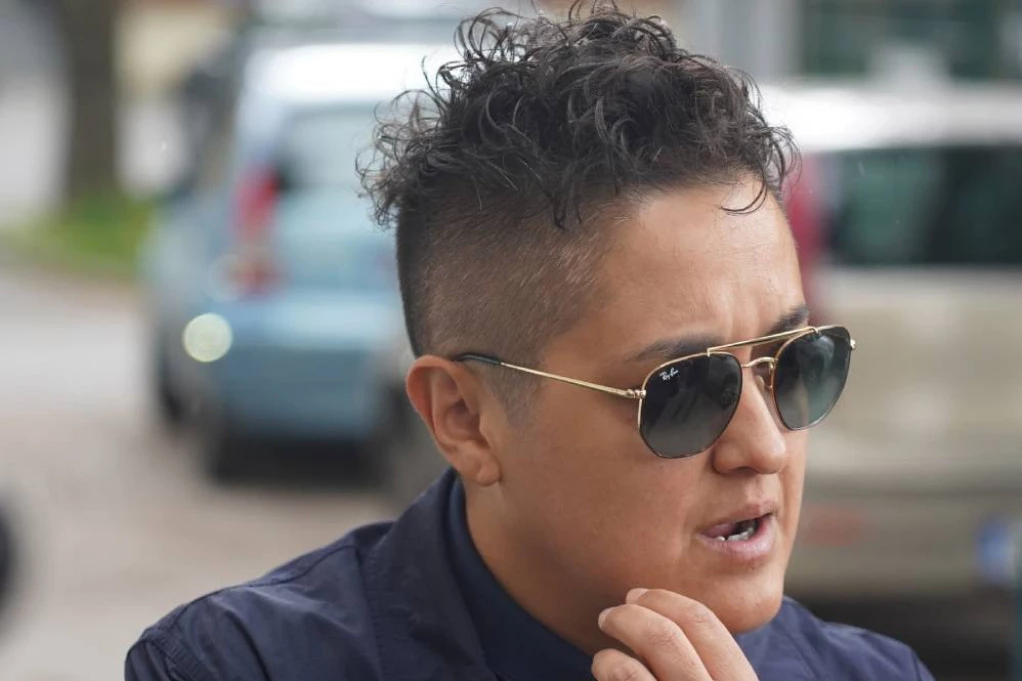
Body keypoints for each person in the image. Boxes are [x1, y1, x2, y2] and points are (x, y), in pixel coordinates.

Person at [125, 3, 936, 679]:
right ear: (465, 418)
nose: (764, 445)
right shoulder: (236, 665)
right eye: (687, 388)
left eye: (794, 364)